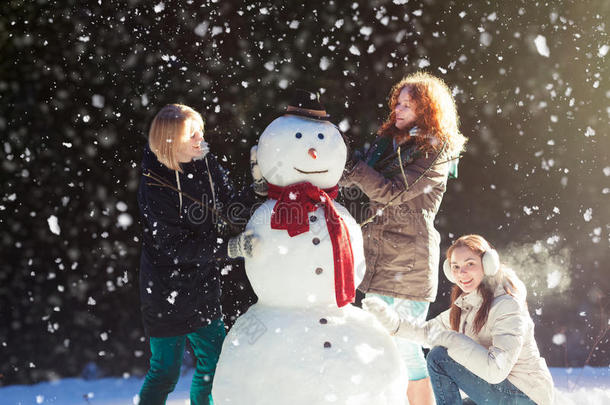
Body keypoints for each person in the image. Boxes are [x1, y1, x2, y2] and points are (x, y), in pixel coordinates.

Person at [340, 71, 467, 404]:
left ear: (426, 110)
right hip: (378, 259)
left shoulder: (437, 151)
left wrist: (352, 166)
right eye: (397, 102)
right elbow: (359, 190)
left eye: (408, 105)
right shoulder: (387, 144)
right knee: (372, 348)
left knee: (407, 349)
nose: (398, 110)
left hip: (409, 262)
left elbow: (392, 191)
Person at [137, 104, 258, 405]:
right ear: (169, 141)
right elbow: (173, 246)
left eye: (200, 131)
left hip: (202, 285)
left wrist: (258, 188)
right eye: (192, 134)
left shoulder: (205, 163)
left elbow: (229, 208)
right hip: (164, 292)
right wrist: (228, 248)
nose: (200, 139)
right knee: (165, 372)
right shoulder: (154, 185)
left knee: (215, 366)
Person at [362, 234, 554, 405]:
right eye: (456, 267)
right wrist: (393, 323)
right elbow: (428, 331)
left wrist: (453, 340)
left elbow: (496, 371)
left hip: (526, 396)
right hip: (505, 394)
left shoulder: (507, 305)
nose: (462, 273)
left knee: (438, 357)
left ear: (488, 265)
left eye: (470, 264)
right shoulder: (466, 306)